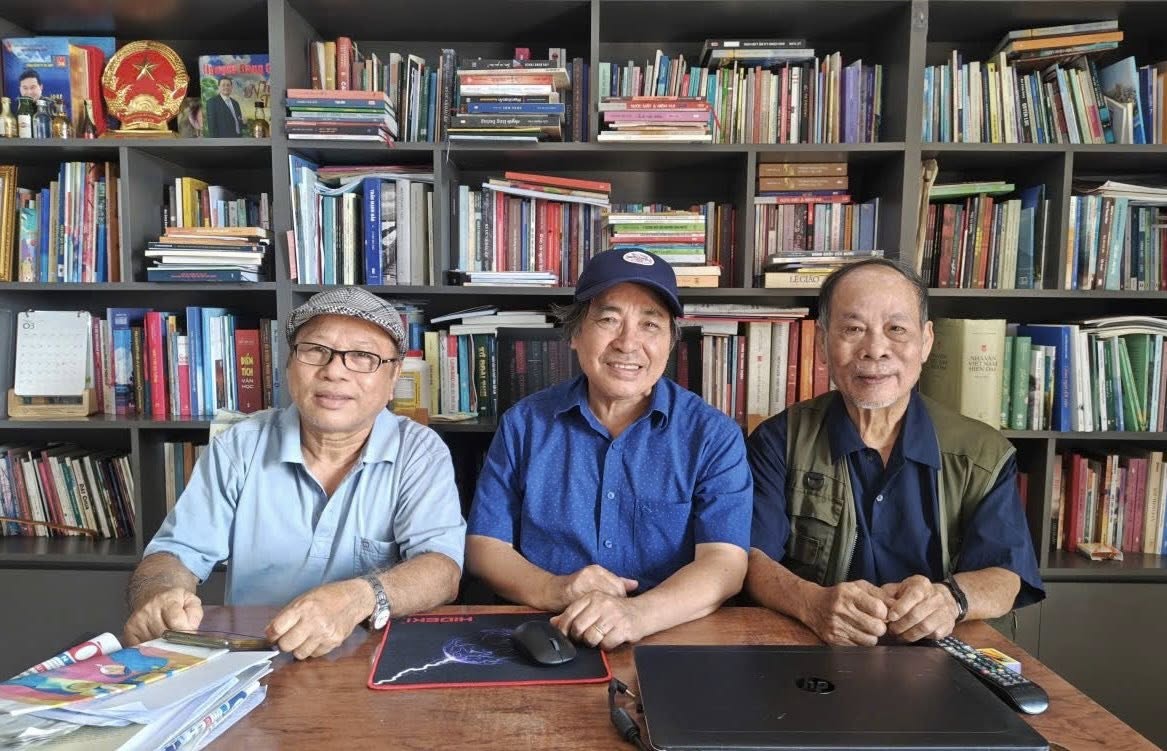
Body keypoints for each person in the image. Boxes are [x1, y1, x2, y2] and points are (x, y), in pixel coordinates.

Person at [123, 287, 466, 659]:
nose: (334, 371)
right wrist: (161, 598)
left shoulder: (419, 451)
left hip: (373, 658)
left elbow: (442, 569)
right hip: (254, 656)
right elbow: (174, 554)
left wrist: (360, 597)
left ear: (393, 375)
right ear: (289, 364)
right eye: (315, 350)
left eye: (362, 356)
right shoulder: (239, 446)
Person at [745, 259, 1044, 646]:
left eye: (896, 329)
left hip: (938, 654)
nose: (875, 350)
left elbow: (1006, 575)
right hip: (812, 650)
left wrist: (948, 600)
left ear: (927, 341)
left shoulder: (982, 454)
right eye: (853, 329)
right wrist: (812, 603)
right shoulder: (779, 440)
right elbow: (750, 558)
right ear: (821, 343)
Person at [466, 248, 752, 650]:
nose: (627, 343)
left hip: (670, 635)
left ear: (670, 343)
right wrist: (557, 589)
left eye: (650, 324)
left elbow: (725, 563)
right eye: (608, 320)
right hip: (545, 631)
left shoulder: (712, 436)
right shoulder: (524, 424)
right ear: (575, 334)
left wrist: (636, 615)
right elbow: (485, 547)